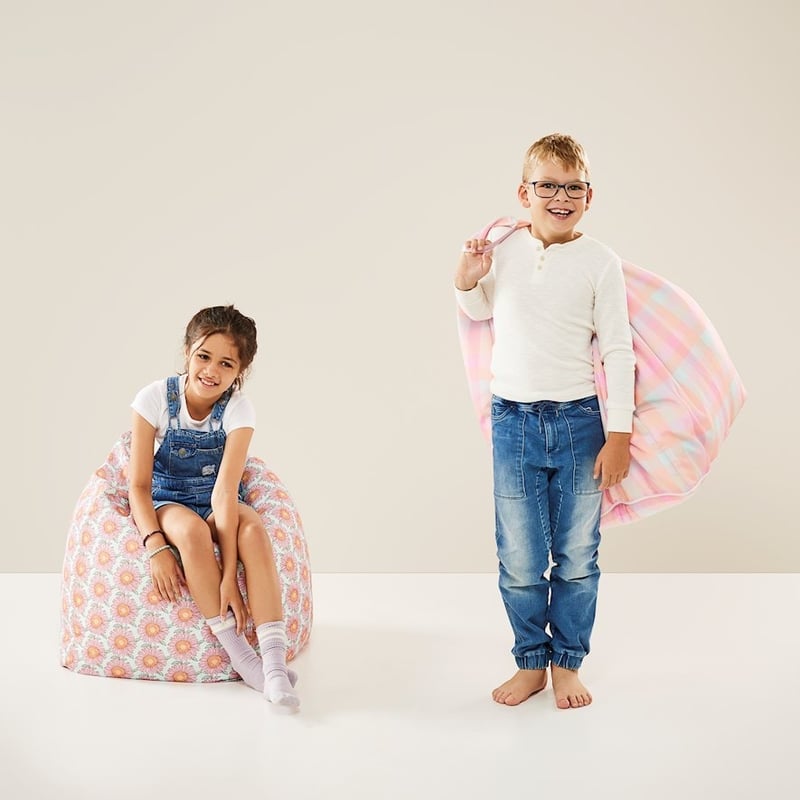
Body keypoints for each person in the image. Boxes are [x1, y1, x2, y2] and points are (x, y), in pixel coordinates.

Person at [454, 133, 635, 709]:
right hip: (513, 421)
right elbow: (481, 310)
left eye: (573, 187)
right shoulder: (504, 249)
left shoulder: (600, 262)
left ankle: (567, 663)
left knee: (578, 556)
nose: (561, 197)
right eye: (548, 186)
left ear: (589, 195)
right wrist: (467, 277)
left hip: (581, 423)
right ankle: (531, 661)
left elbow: (618, 350)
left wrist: (619, 434)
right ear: (524, 192)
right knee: (520, 557)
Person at [128, 304, 299, 709]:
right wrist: (155, 545)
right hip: (169, 497)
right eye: (204, 356)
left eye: (226, 363)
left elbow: (224, 492)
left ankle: (274, 667)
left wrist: (229, 578)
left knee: (253, 529)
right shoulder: (154, 398)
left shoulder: (238, 408)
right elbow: (138, 485)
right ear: (187, 350)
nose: (211, 371)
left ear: (240, 370)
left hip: (216, 495)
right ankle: (244, 660)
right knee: (190, 533)